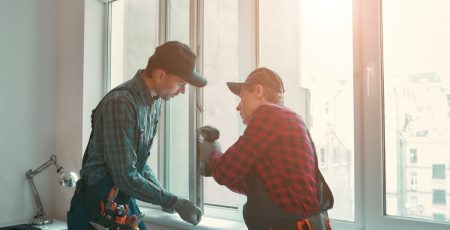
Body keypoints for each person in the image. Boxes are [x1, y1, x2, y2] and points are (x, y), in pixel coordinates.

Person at [67, 41, 205, 230]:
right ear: (160, 74)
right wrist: (173, 201)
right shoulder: (121, 104)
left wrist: (164, 197)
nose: (182, 90)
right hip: (95, 208)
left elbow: (138, 162)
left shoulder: (155, 102)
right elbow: (126, 176)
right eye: (181, 83)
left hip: (121, 200)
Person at [199, 67, 332, 230]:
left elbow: (226, 172)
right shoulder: (291, 118)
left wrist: (213, 151)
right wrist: (215, 165)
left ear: (258, 91)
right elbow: (254, 184)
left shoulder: (269, 114)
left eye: (242, 98)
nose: (238, 107)